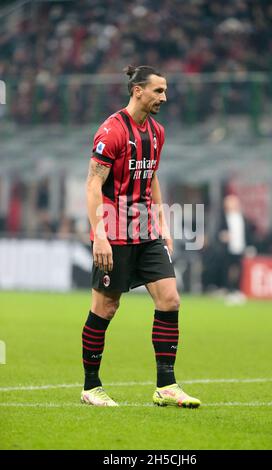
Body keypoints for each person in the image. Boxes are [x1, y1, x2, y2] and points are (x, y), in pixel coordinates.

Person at [81, 65, 200, 408]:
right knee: (106, 307)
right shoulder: (111, 131)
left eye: (165, 91)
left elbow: (152, 176)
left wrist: (162, 223)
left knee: (170, 299)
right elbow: (92, 184)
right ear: (138, 91)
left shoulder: (158, 132)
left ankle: (166, 385)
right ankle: (91, 386)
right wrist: (99, 236)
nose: (164, 97)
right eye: (158, 91)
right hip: (114, 231)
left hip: (146, 230)